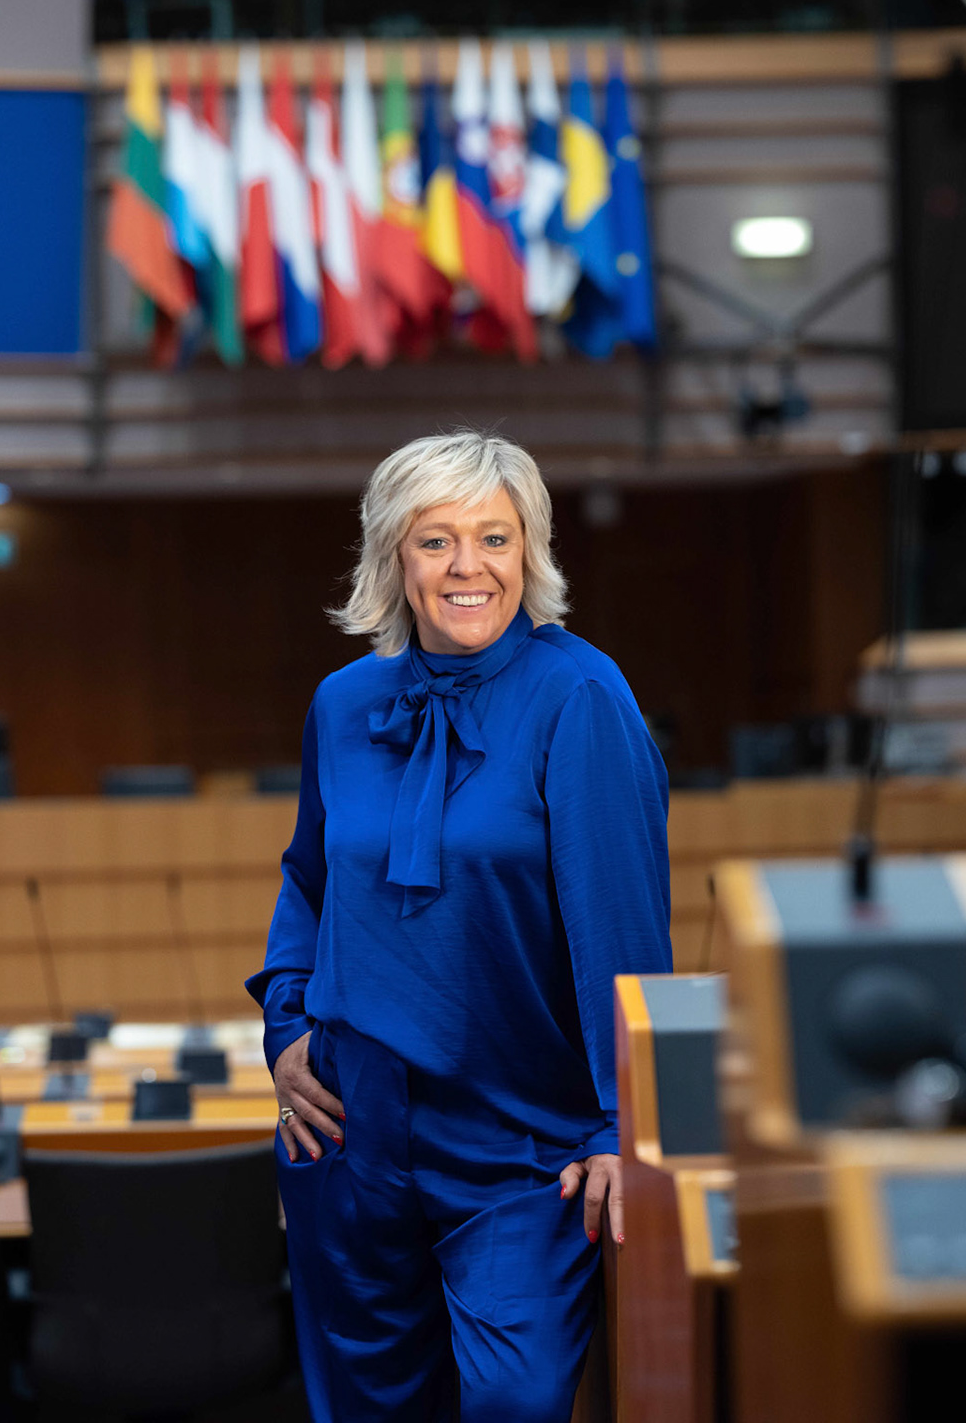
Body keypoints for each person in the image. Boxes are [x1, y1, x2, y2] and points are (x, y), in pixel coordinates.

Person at [246, 430, 672, 1422]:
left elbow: (623, 927)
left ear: (531, 552)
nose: (468, 567)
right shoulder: (342, 705)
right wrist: (287, 1024)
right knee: (369, 1408)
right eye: (436, 541)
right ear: (394, 558)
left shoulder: (582, 696)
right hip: (354, 1126)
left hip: (524, 1132)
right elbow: (307, 879)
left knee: (513, 1403)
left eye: (495, 537)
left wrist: (625, 1121)